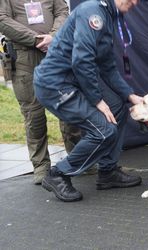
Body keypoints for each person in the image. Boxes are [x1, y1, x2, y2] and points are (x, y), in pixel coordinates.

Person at [33, 0, 145, 202]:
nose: (135, 2)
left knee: (119, 106)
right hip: (56, 84)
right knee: (104, 131)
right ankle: (58, 174)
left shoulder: (109, 16)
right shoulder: (93, 13)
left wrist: (130, 95)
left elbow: (108, 67)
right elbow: (81, 61)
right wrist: (97, 101)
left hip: (75, 80)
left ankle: (108, 172)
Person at [0, 0, 82, 184]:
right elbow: (1, 18)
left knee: (69, 107)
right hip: (23, 57)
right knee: (33, 114)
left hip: (56, 52)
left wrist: (53, 36)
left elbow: (62, 11)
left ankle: (77, 159)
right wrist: (35, 39)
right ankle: (41, 166)